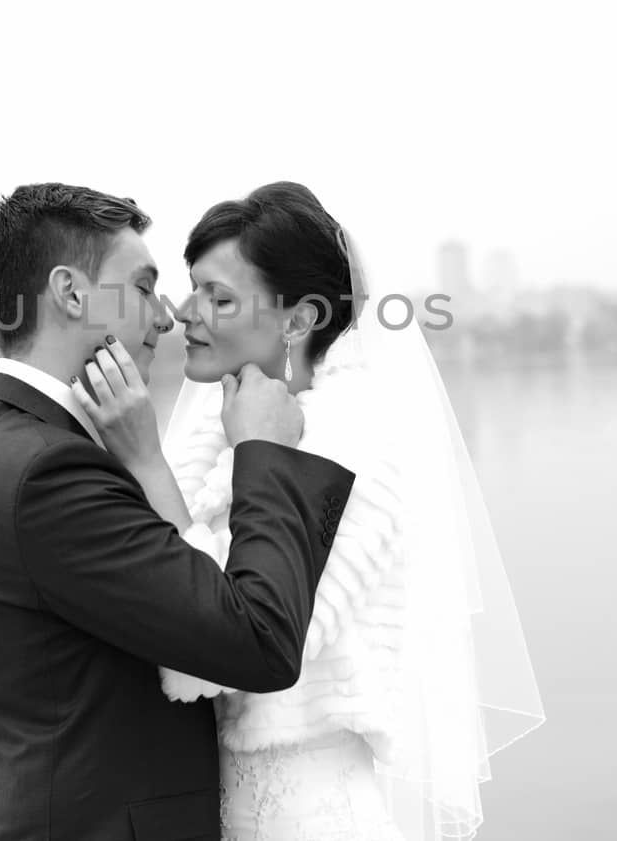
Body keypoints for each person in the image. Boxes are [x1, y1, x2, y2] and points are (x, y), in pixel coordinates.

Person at [76, 182, 545, 841]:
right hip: (215, 804)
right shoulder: (215, 429)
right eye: (193, 289)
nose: (187, 313)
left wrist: (145, 460)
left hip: (310, 814)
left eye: (222, 297)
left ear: (297, 320)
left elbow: (233, 643)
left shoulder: (355, 446)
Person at [0, 182, 356, 841]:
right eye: (144, 286)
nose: (165, 317)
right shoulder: (50, 471)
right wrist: (264, 451)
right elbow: (258, 640)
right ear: (71, 293)